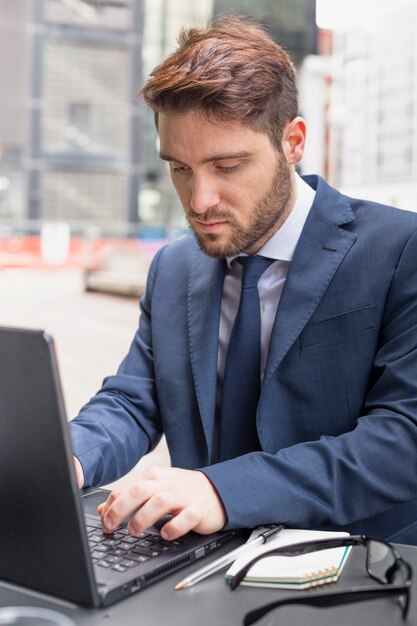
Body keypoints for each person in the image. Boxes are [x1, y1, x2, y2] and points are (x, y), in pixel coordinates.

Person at [69, 16, 417, 545]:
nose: (199, 200)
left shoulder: (399, 250)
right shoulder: (174, 267)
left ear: (293, 141)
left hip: (355, 570)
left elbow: (402, 439)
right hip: (195, 564)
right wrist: (66, 458)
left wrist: (224, 490)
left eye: (226, 166)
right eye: (180, 169)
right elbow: (135, 400)